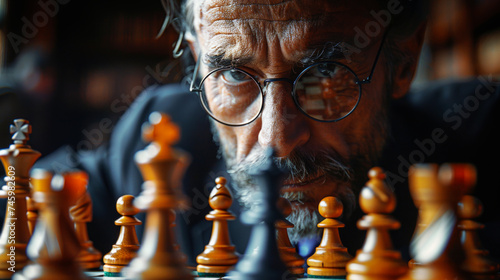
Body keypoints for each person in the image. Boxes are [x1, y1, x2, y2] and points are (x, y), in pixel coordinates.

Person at [30, 0, 500, 266]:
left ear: (404, 60)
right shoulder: (161, 137)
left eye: (325, 72)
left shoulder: (484, 140)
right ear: (196, 59)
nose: (276, 139)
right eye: (234, 75)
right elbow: (37, 202)